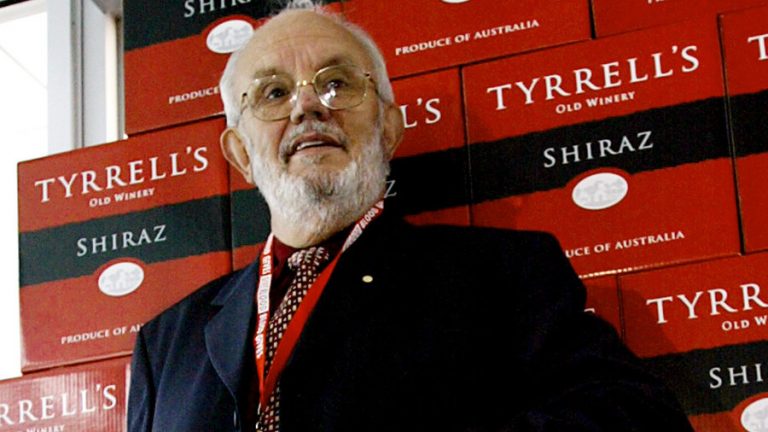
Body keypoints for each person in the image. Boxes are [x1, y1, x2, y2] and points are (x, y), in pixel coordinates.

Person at [127, 1, 695, 431]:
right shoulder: (166, 345)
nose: (308, 106)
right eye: (273, 93)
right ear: (241, 155)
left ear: (389, 129)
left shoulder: (503, 276)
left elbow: (640, 420)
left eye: (337, 83)